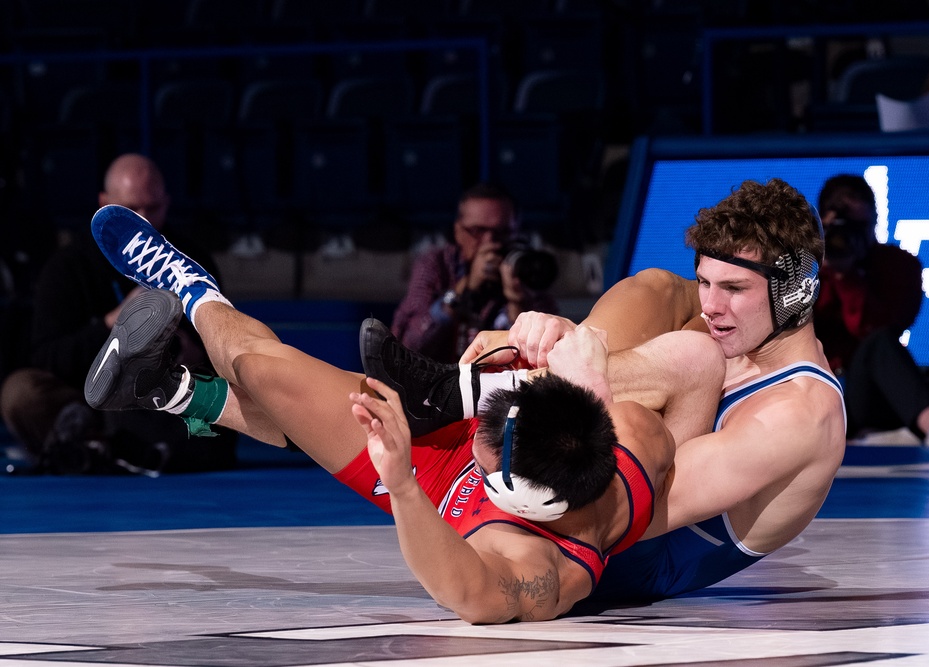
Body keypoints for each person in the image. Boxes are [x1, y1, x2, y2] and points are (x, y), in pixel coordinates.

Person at [83, 203, 714, 623]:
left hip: (429, 487)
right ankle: (166, 386)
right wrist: (568, 348)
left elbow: (467, 595)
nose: (477, 438)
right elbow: (680, 342)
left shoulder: (538, 567)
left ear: (519, 495)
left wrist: (407, 487)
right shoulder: (625, 433)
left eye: (486, 438)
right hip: (555, 424)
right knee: (653, 287)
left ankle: (186, 295)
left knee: (262, 370)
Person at [369, 178, 848, 603]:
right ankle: (497, 386)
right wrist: (567, 338)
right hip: (598, 465)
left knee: (692, 357)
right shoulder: (746, 328)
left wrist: (590, 389)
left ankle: (490, 390)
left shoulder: (799, 413)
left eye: (734, 289)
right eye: (705, 281)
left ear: (795, 291)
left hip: (627, 547)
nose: (712, 305)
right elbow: (660, 305)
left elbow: (644, 508)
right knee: (657, 288)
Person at [0, 154, 237, 473]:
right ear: (105, 204)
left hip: (159, 398)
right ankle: (106, 446)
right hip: (86, 397)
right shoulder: (68, 266)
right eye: (131, 210)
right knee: (21, 392)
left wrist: (185, 347)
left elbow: (221, 354)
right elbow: (47, 357)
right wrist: (115, 324)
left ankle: (100, 450)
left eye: (152, 208)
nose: (144, 221)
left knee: (227, 391)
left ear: (167, 203)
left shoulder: (190, 262)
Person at [813, 174, 929, 446]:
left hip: (870, 393)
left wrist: (849, 279)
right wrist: (819, 266)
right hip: (814, 395)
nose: (853, 236)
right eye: (842, 228)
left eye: (861, 227)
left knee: (880, 341)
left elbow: (883, 328)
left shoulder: (897, 265)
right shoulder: (805, 268)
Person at [391, 182, 559, 362]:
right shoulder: (437, 264)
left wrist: (517, 302)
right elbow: (408, 345)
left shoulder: (528, 268)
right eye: (478, 231)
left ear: (516, 231)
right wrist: (464, 289)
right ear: (458, 231)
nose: (490, 241)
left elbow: (548, 357)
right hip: (440, 380)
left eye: (502, 232)